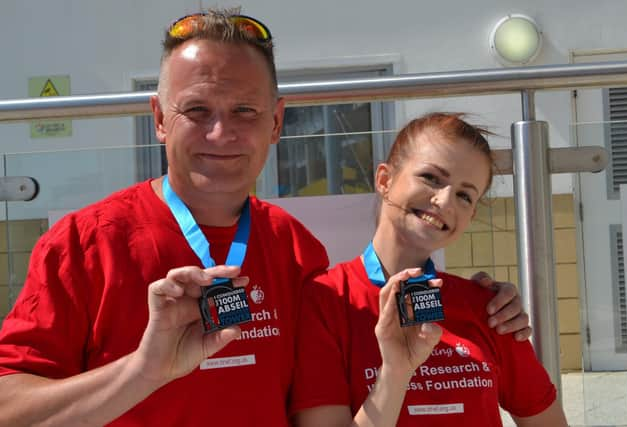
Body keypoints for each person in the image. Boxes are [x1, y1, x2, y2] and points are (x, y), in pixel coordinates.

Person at [0, 10, 530, 427]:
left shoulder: (294, 248)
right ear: (160, 120)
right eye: (197, 111)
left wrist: (480, 305)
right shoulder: (84, 244)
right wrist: (142, 373)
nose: (220, 134)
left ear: (276, 122)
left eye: (244, 112)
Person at [290, 113, 569, 426]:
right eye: (431, 178)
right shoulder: (327, 300)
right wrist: (395, 373)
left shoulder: (490, 308)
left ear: (471, 215)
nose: (445, 200)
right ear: (385, 180)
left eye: (465, 195)